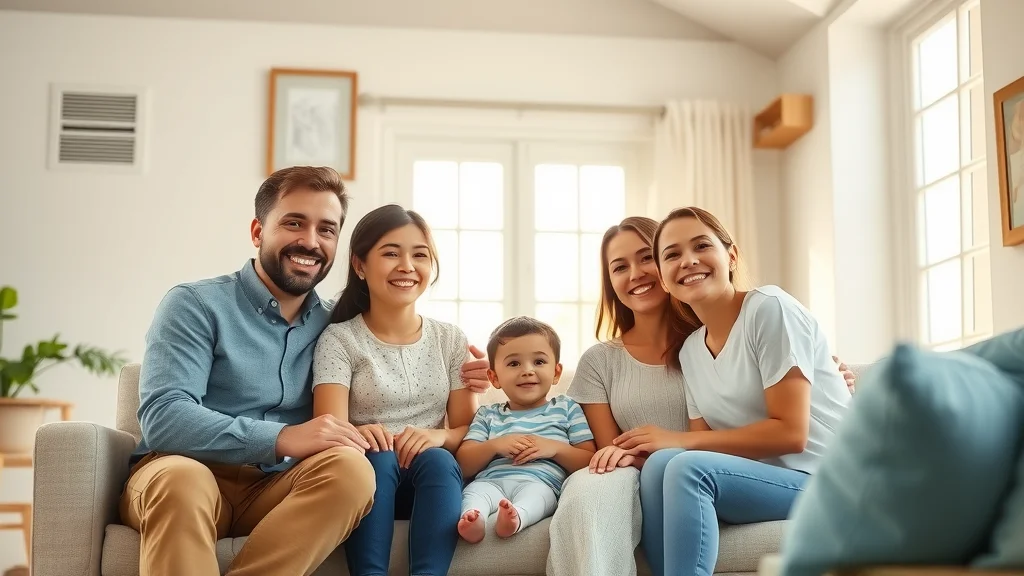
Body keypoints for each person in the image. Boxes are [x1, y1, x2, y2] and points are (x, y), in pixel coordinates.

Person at [546, 216, 857, 576]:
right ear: (667, 274)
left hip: (831, 479)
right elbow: (704, 440)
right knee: (665, 465)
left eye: (702, 246)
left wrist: (828, 372)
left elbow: (787, 431)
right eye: (673, 254)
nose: (689, 261)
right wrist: (660, 449)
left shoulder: (768, 308)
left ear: (732, 256)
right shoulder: (693, 349)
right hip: (763, 476)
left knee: (684, 466)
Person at [122, 166, 376, 576]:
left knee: (351, 471)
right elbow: (165, 417)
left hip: (275, 490)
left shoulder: (337, 327)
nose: (310, 241)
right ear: (258, 232)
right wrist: (285, 437)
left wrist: (462, 369)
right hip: (182, 472)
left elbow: (394, 377)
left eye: (326, 230)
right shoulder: (195, 304)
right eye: (294, 222)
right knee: (183, 482)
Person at [311, 204, 478, 576]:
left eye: (420, 254)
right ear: (359, 265)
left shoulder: (450, 340)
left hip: (431, 483)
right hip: (367, 479)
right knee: (380, 456)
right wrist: (357, 434)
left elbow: (471, 432)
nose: (407, 266)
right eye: (391, 253)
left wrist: (438, 436)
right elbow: (327, 428)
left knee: (438, 460)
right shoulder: (340, 339)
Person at [456, 316, 596, 543]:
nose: (527, 371)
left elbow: (589, 460)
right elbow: (464, 464)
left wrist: (554, 448)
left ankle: (516, 517)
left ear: (556, 373)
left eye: (539, 362)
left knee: (539, 498)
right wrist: (495, 445)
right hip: (490, 481)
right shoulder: (488, 414)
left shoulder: (566, 408)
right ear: (494, 377)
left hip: (540, 483)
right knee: (473, 494)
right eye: (514, 364)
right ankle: (474, 519)